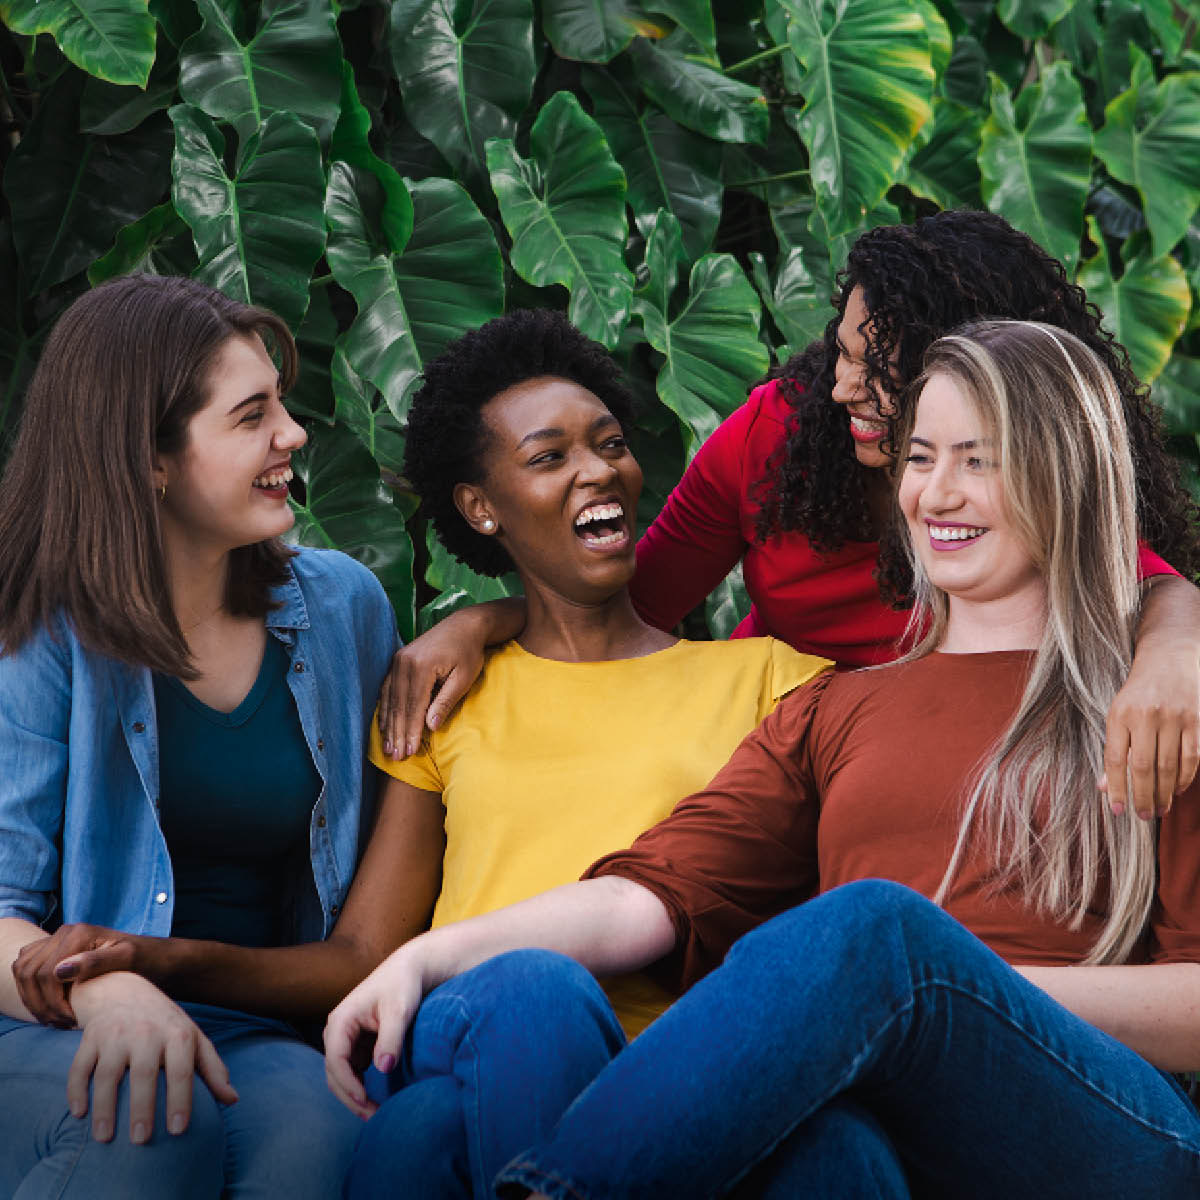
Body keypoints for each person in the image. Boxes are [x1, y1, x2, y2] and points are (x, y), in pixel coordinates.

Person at [326, 321, 1200, 1199]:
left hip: (1105, 1125)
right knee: (824, 1149)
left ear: (1065, 471)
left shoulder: (1160, 700)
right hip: (893, 1117)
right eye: (922, 458)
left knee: (876, 931)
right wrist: (429, 958)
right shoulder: (835, 706)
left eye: (980, 461)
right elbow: (647, 897)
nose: (938, 493)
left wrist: (947, 986)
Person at [37, 307, 828, 1199]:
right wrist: (162, 958)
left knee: (420, 1137)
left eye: (610, 443)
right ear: (480, 509)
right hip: (471, 1021)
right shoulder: (444, 699)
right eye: (548, 456)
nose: (598, 470)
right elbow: (363, 954)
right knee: (532, 992)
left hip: (676, 1051)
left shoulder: (774, 682)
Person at [379, 211, 1200, 822]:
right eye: (843, 350)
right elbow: (631, 601)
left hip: (973, 770)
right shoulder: (780, 436)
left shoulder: (1033, 476)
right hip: (789, 769)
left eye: (881, 370)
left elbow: (1148, 584)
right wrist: (482, 622)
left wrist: (1172, 655)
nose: (844, 387)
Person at [0, 273, 444, 1198]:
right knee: (147, 1118)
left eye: (281, 404)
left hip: (247, 1018)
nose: (293, 435)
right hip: (43, 1014)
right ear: (149, 461)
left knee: (328, 1145)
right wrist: (103, 989)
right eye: (251, 417)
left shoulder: (341, 612)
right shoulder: (43, 633)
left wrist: (482, 621)